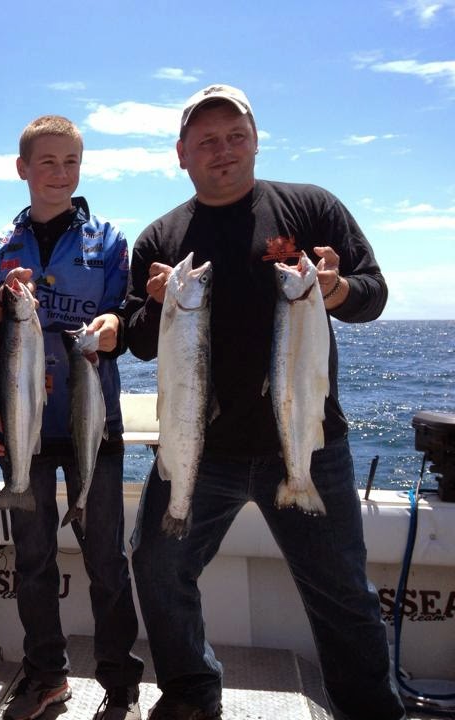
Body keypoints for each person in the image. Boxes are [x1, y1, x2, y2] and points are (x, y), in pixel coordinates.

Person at [123, 84, 407, 720]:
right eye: (206, 142)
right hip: (200, 448)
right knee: (157, 563)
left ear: (255, 141)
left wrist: (334, 291)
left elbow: (374, 292)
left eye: (235, 137)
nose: (222, 152)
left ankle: (371, 711)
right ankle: (192, 693)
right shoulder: (160, 237)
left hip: (305, 442)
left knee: (342, 594)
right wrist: (157, 305)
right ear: (181, 154)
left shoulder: (310, 209)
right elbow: (138, 342)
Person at [0, 115, 145, 720]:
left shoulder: (111, 240)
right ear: (22, 168)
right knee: (33, 559)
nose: (59, 173)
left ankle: (119, 679)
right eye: (46, 162)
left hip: (92, 427)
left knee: (106, 557)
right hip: (22, 428)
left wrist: (114, 326)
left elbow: (128, 316)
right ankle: (47, 673)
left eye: (70, 162)